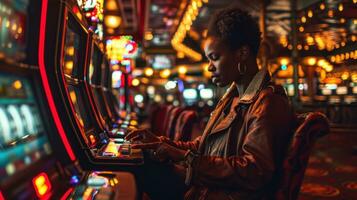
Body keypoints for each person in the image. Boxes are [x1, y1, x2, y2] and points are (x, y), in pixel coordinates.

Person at [126, 7, 295, 200]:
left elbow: (254, 171)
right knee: (140, 159)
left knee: (140, 167)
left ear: (242, 53)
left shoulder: (268, 102)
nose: (209, 67)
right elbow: (204, 145)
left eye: (215, 58)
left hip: (221, 194)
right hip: (209, 188)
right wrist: (160, 143)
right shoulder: (232, 99)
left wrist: (185, 158)